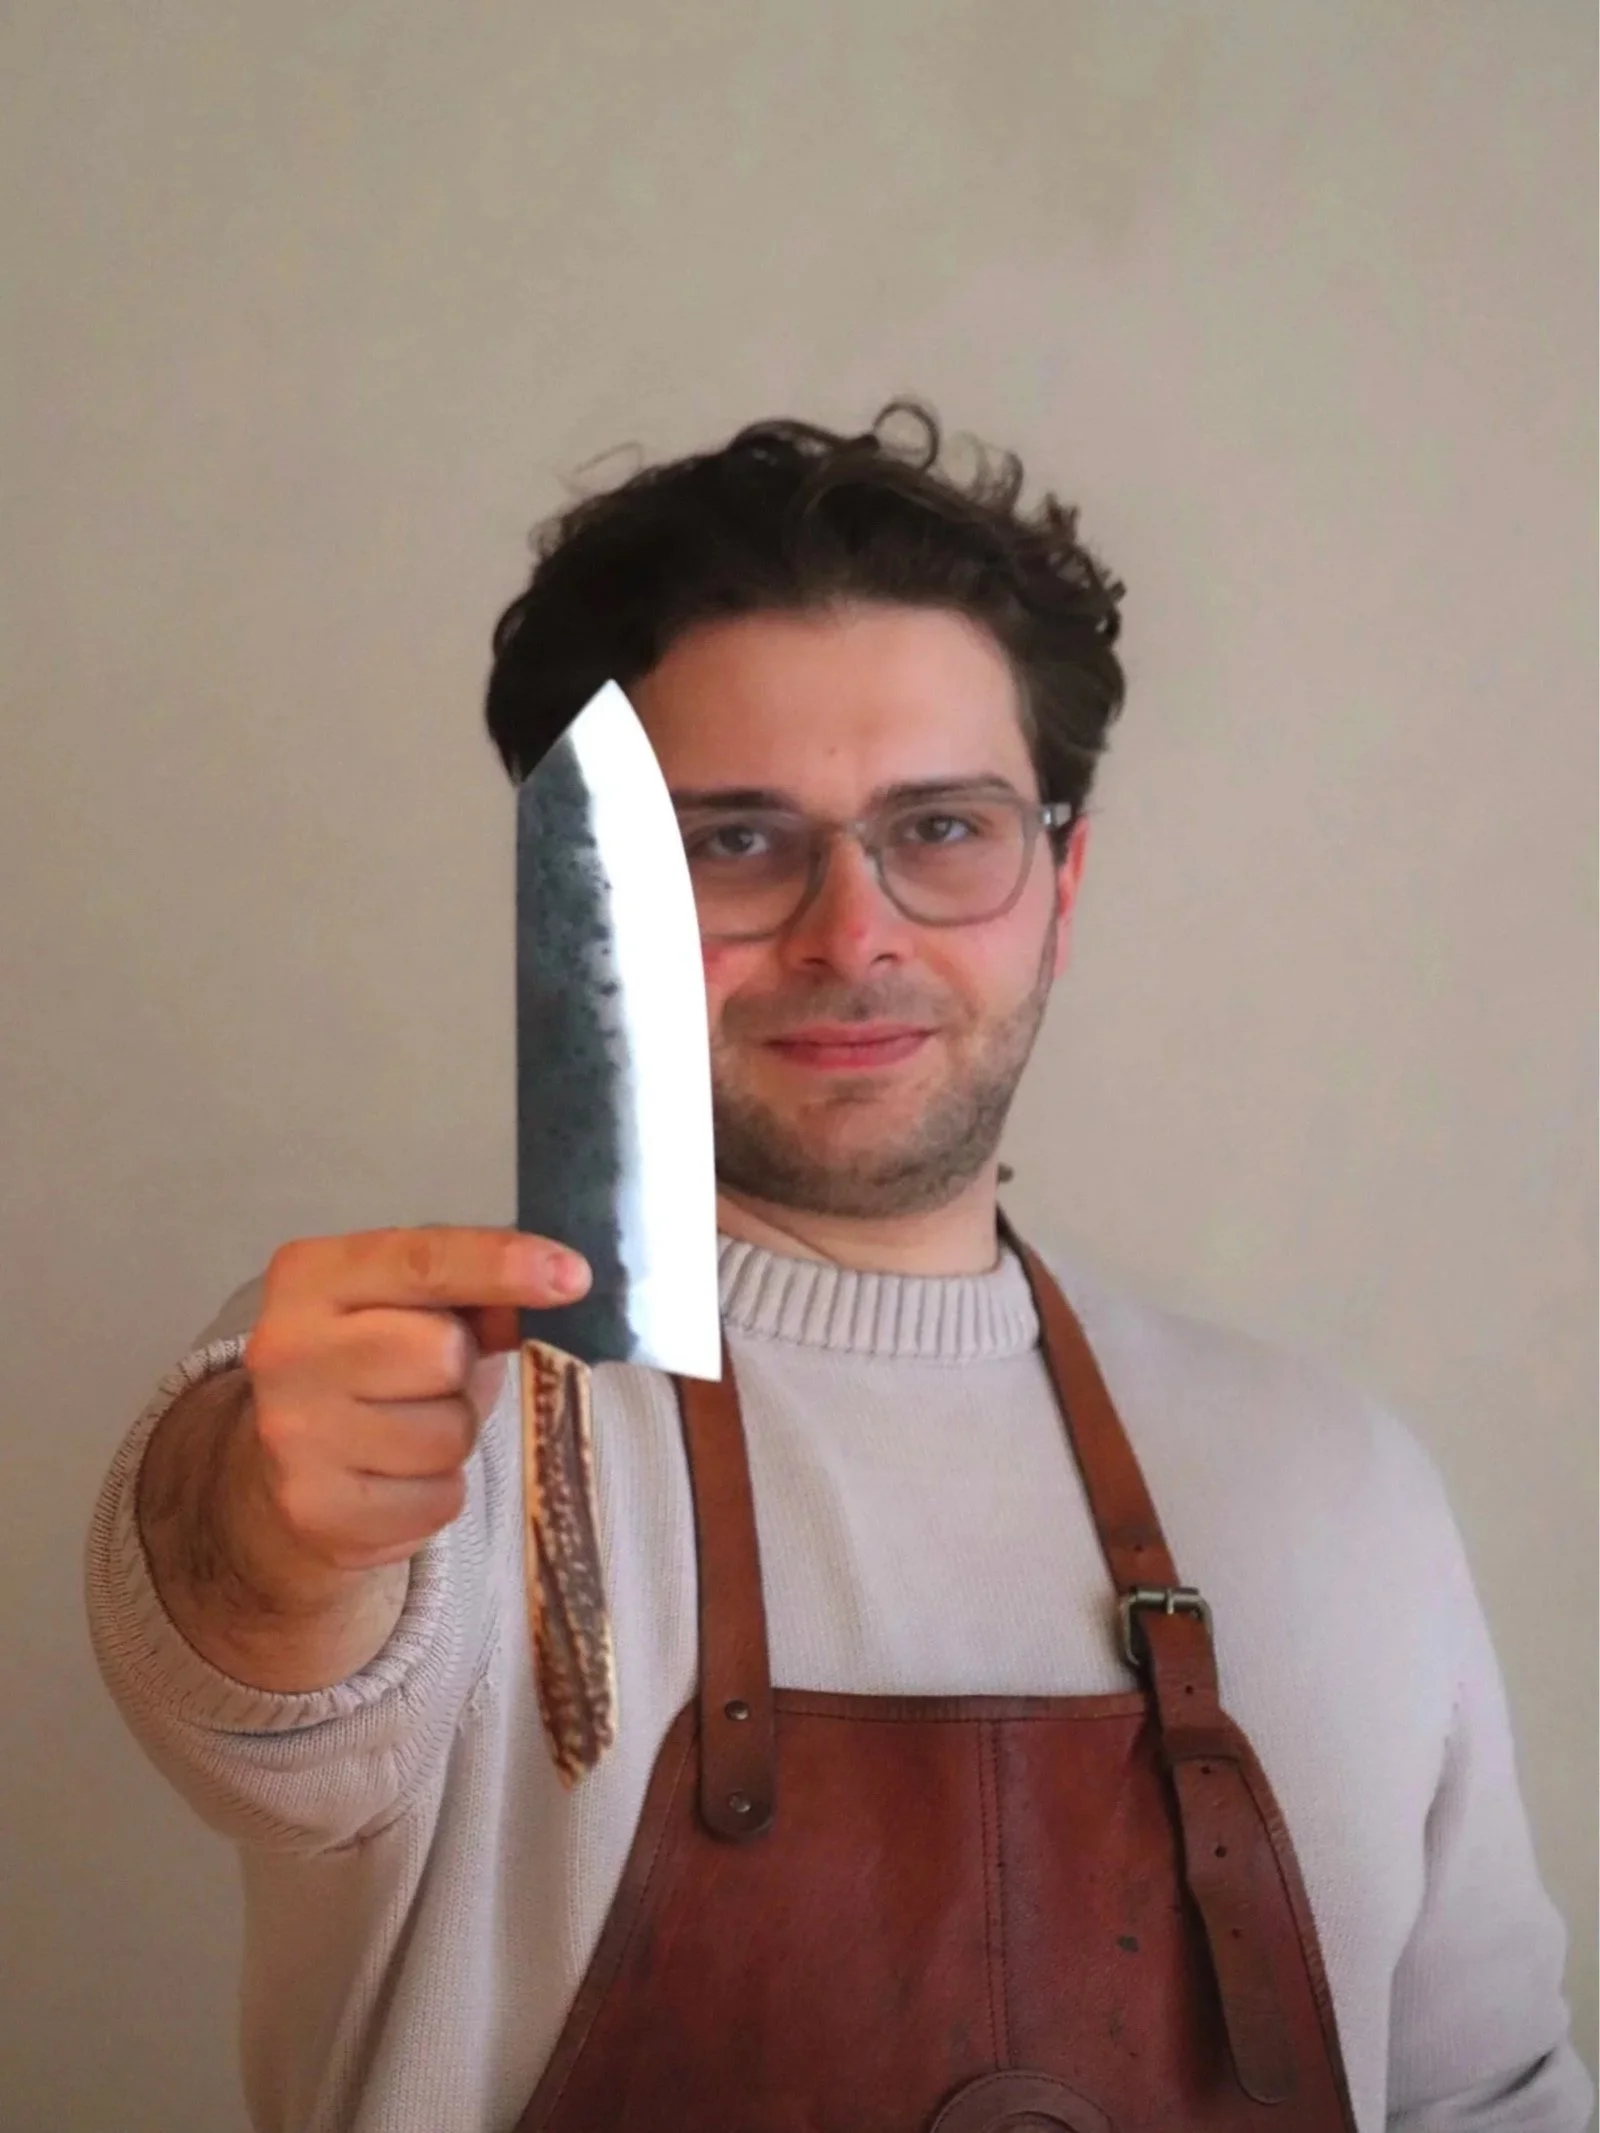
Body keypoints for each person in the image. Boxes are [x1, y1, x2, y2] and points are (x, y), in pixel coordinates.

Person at [87, 406, 1590, 2133]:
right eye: (735, 841)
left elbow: (1495, 2094)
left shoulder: (1339, 1481)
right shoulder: (427, 1401)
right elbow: (242, 1641)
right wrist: (275, 1538)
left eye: (940, 829)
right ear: (601, 897)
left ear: (1062, 880)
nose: (854, 934)